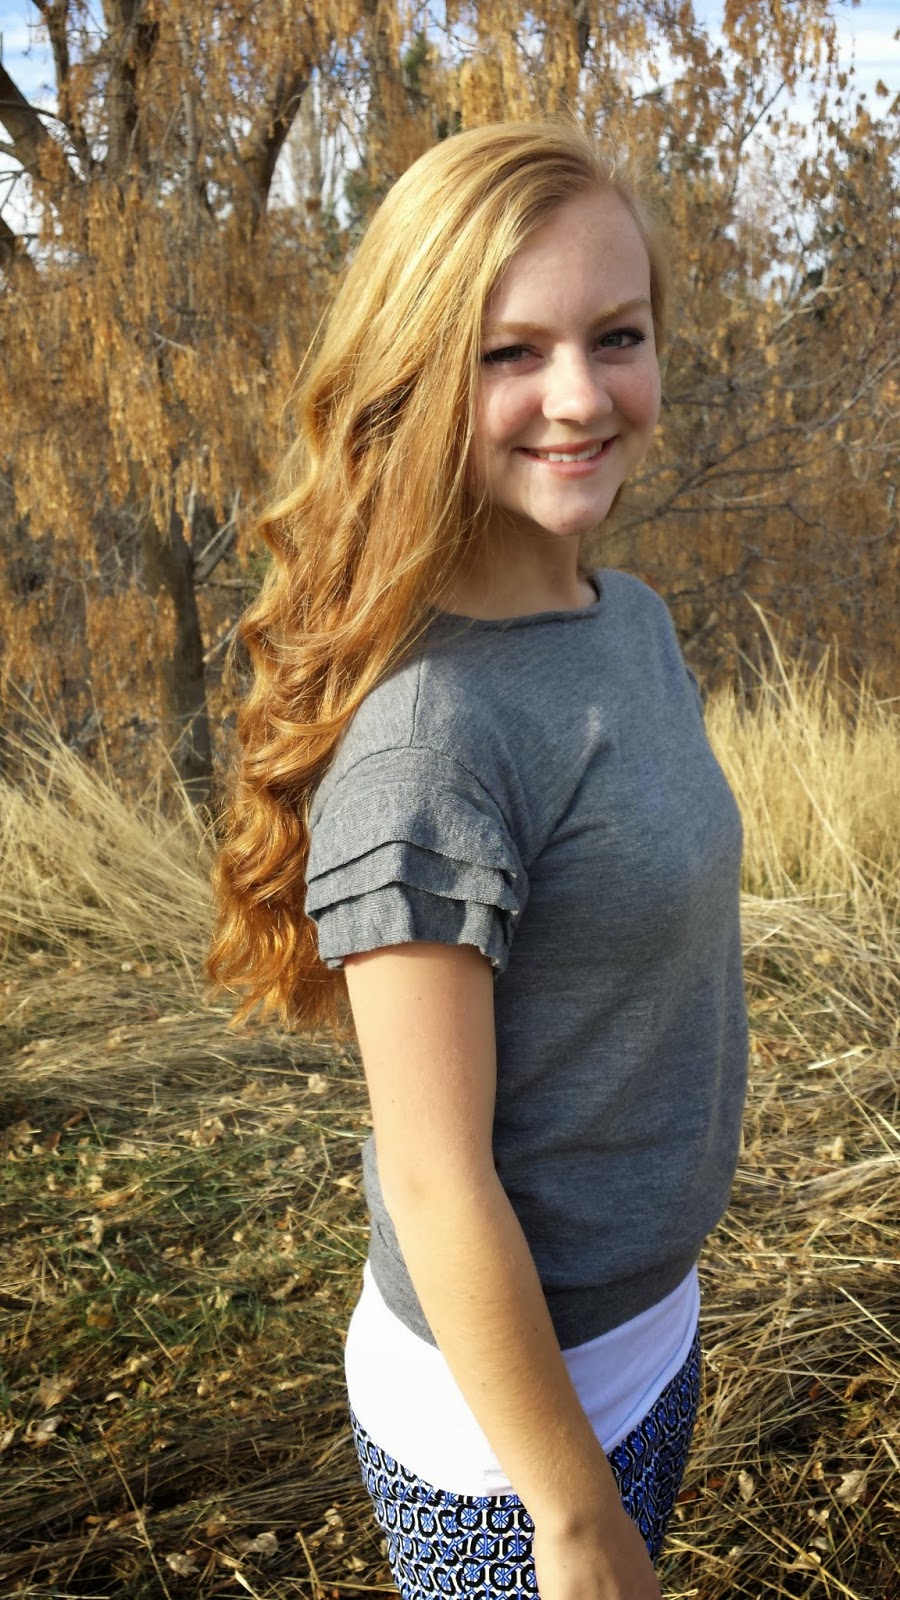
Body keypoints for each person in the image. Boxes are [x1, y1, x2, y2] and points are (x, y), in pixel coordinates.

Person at [205, 118, 749, 1600]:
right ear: (419, 374)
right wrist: (570, 1521)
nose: (580, 395)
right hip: (508, 1442)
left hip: (648, 1336)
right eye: (511, 352)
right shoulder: (429, 738)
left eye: (616, 335)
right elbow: (437, 1182)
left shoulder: (627, 620)